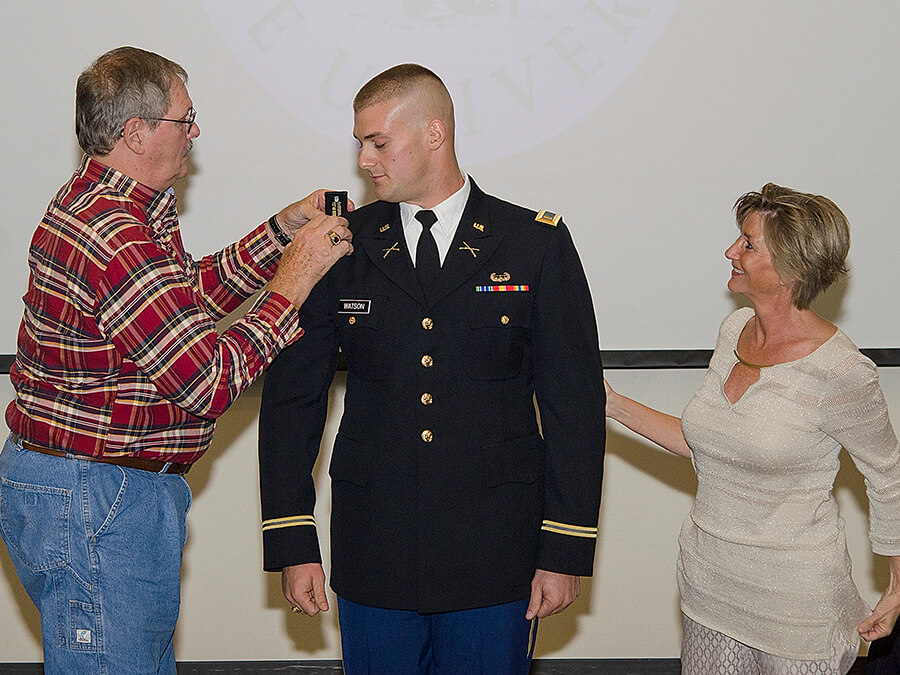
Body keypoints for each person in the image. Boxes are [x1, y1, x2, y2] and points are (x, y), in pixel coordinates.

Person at [0, 46, 353, 674]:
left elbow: (182, 297)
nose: (195, 133)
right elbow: (207, 381)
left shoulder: (119, 210)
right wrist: (291, 285)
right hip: (98, 499)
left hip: (96, 492)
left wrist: (280, 231)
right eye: (185, 119)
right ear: (136, 132)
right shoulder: (113, 232)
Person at [258, 63, 605, 673]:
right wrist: (292, 539)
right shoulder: (342, 245)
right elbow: (294, 399)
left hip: (495, 553)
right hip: (375, 549)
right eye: (359, 143)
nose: (364, 160)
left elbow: (573, 407)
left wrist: (565, 548)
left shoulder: (532, 242)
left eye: (379, 142)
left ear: (434, 135)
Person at [605, 183, 900, 674]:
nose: (730, 251)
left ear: (791, 268)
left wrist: (897, 584)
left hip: (797, 611)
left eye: (747, 244)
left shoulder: (841, 372)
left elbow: (890, 477)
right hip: (709, 590)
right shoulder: (733, 330)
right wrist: (612, 405)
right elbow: (706, 444)